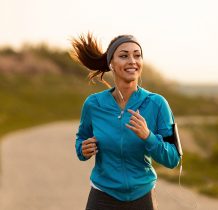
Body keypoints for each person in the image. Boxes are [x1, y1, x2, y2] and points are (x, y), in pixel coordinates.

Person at [71, 33, 181, 210]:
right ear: (111, 64)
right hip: (102, 195)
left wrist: (148, 136)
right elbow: (81, 140)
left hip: (142, 197)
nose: (132, 61)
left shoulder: (157, 104)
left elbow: (173, 158)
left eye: (137, 55)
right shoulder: (93, 104)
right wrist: (83, 149)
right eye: (124, 56)